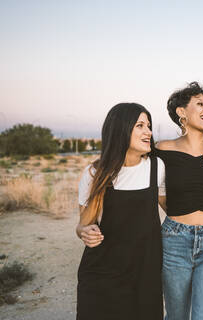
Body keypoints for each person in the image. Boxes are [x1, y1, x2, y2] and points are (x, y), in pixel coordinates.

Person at [76, 103, 165, 320]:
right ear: (121, 130)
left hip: (146, 273)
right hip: (103, 273)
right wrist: (85, 232)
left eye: (149, 126)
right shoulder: (95, 173)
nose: (149, 132)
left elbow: (174, 209)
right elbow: (83, 225)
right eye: (140, 125)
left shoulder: (157, 167)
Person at [153, 82, 203, 320]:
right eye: (200, 104)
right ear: (181, 112)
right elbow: (160, 195)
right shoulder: (162, 150)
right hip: (174, 242)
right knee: (176, 316)